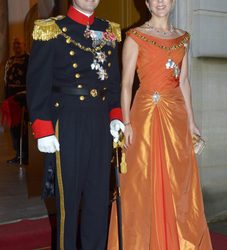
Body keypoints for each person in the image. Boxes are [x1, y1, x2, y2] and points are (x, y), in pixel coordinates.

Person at [108, 0, 212, 249]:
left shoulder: (183, 38)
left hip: (176, 116)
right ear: (146, 3)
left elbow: (184, 81)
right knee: (143, 181)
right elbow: (125, 84)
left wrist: (192, 122)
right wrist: (127, 122)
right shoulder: (135, 36)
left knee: (179, 181)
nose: (160, 2)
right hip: (146, 116)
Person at [26, 0, 124, 249]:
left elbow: (113, 82)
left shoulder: (109, 31)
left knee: (97, 200)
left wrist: (115, 115)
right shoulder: (52, 29)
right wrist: (43, 128)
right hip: (67, 121)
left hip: (100, 122)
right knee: (67, 204)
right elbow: (38, 83)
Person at [4, 38, 29, 164]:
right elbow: (6, 80)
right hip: (10, 98)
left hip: (22, 99)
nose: (16, 45)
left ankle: (25, 155)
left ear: (24, 45)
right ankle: (18, 154)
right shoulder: (10, 60)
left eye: (19, 43)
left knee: (22, 129)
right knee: (13, 127)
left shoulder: (29, 60)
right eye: (14, 43)